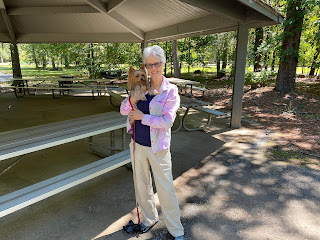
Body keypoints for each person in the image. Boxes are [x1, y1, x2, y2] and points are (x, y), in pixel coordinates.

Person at [120, 45, 184, 240]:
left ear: (163, 64)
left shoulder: (170, 91)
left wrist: (142, 116)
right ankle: (148, 219)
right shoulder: (141, 86)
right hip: (138, 144)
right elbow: (123, 110)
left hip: (158, 147)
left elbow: (167, 122)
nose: (153, 67)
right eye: (150, 64)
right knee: (142, 185)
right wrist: (131, 101)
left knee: (165, 189)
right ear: (146, 66)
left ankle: (176, 230)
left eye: (157, 63)